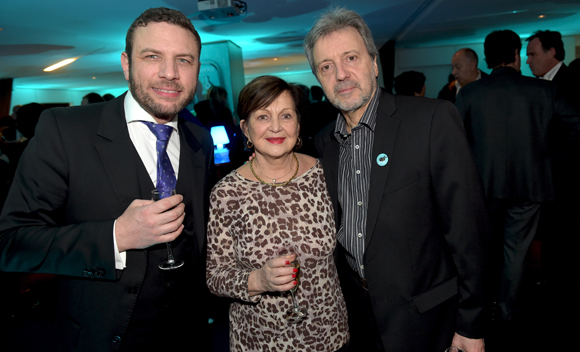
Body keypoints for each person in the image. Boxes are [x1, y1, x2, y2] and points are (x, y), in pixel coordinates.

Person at [0, 7, 214, 352]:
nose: (170, 73)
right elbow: (11, 243)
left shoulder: (199, 139)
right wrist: (116, 236)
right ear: (126, 64)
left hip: (187, 336)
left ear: (197, 69)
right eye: (153, 56)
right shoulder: (65, 130)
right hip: (101, 337)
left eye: (185, 60)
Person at [304, 8, 489, 352]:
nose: (341, 74)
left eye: (351, 58)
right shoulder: (323, 142)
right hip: (361, 322)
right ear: (318, 77)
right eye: (326, 66)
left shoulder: (431, 120)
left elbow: (469, 232)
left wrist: (472, 323)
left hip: (429, 320)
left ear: (374, 63)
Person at [206, 75, 349, 352]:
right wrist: (258, 280)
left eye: (286, 115)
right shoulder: (226, 193)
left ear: (298, 124)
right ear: (245, 129)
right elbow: (215, 276)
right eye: (262, 117)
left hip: (329, 334)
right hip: (259, 340)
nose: (275, 127)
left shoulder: (326, 175)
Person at [455, 30, 580, 331]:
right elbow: (576, 127)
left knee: (481, 249)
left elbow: (453, 142)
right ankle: (508, 314)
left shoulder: (470, 94)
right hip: (531, 185)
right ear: (514, 55)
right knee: (517, 253)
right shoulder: (544, 91)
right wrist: (550, 160)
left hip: (482, 187)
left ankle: (479, 310)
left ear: (486, 58)